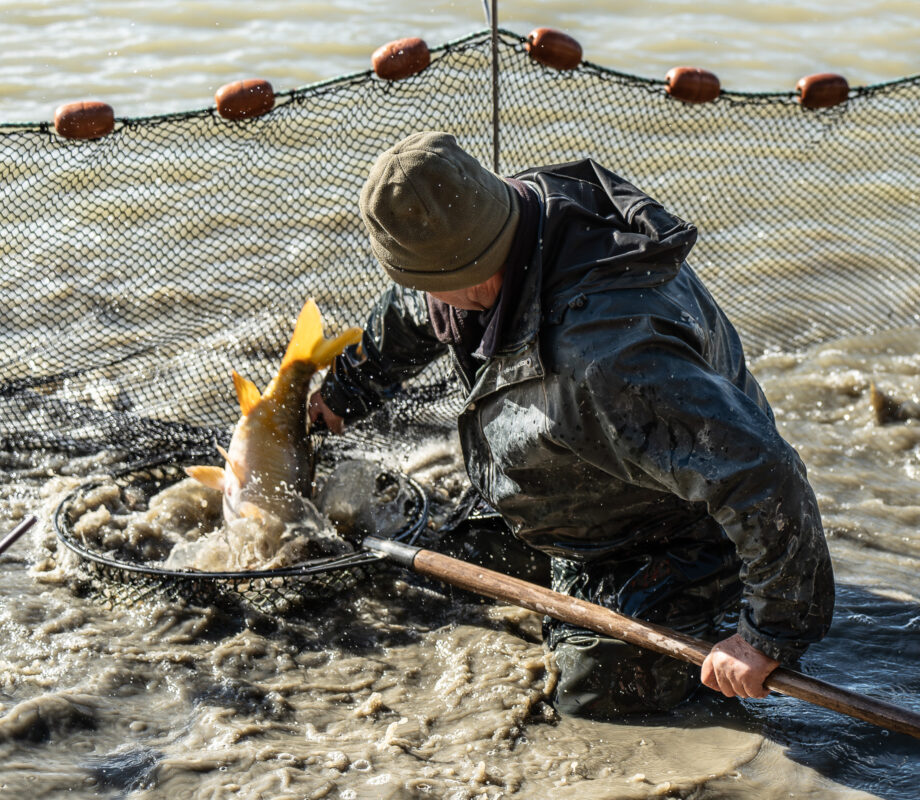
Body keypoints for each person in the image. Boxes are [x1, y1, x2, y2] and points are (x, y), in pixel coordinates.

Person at [308, 131, 834, 718]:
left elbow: (766, 477)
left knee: (593, 707)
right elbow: (416, 309)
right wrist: (346, 389)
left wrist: (766, 637)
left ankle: (716, 612)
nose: (424, 297)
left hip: (678, 537)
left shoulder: (610, 360)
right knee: (445, 572)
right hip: (585, 495)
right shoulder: (508, 217)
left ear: (478, 268)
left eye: (431, 284)